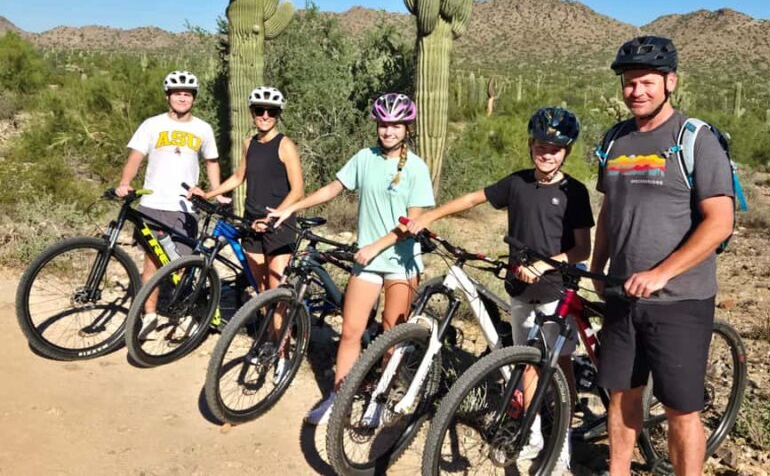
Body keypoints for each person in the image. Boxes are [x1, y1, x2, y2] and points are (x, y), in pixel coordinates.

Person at [405, 106, 594, 471]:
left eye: (555, 148)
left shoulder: (575, 191)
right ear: (530, 145)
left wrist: (544, 264)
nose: (547, 153)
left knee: (560, 367)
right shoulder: (518, 182)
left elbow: (582, 248)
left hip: (556, 292)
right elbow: (474, 198)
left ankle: (562, 447)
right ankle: (534, 434)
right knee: (526, 362)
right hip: (519, 289)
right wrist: (429, 216)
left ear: (566, 152)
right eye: (541, 145)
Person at [590, 36, 734, 476]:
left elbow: (720, 221)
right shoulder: (615, 139)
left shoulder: (696, 138)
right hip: (623, 295)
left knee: (680, 408)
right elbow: (611, 209)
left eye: (647, 82)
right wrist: (598, 266)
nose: (637, 91)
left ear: (670, 82)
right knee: (621, 395)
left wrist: (660, 273)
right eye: (630, 83)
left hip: (680, 300)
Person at [268, 92, 435, 425]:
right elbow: (332, 188)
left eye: (395, 126)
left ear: (407, 128)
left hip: (400, 263)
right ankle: (337, 399)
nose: (387, 132)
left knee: (391, 337)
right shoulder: (365, 158)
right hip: (367, 262)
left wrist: (376, 245)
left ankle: (379, 400)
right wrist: (292, 208)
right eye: (383, 125)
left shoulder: (417, 168)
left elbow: (414, 221)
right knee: (350, 332)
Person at [116, 70, 221, 339]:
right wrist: (125, 182)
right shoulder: (152, 124)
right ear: (168, 96)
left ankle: (183, 313)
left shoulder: (203, 129)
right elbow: (136, 156)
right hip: (152, 202)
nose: (182, 97)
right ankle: (149, 315)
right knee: (151, 262)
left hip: (184, 207)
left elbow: (211, 162)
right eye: (177, 93)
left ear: (193, 99)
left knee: (183, 263)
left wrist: (215, 192)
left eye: (187, 94)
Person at [190, 86, 303, 294]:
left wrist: (270, 218)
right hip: (252, 221)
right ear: (252, 112)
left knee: (275, 292)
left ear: (278, 115)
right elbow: (238, 177)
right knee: (261, 290)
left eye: (272, 111)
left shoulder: (285, 145)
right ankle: (267, 328)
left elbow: (297, 191)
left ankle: (284, 327)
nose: (265, 116)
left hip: (278, 225)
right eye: (260, 110)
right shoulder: (248, 143)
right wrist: (207, 194)